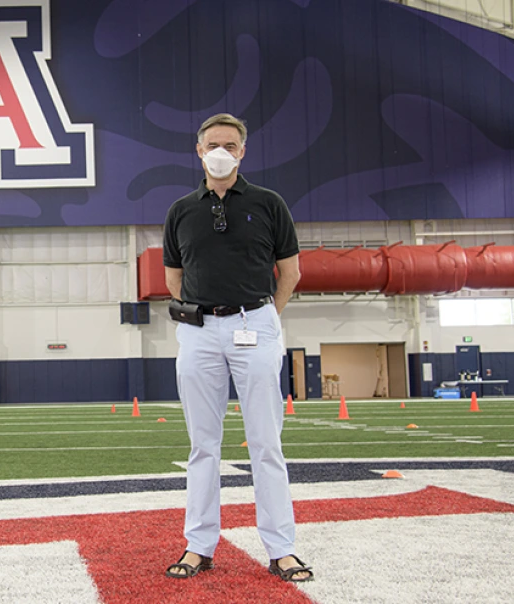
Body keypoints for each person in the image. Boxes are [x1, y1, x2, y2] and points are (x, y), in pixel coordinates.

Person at [161, 113, 312, 582]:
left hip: (256, 322)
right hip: (200, 329)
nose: (221, 151)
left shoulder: (269, 204)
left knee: (266, 443)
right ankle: (199, 545)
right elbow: (173, 276)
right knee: (202, 445)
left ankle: (281, 548)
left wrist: (267, 318)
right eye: (212, 144)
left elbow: (290, 272)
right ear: (199, 151)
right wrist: (198, 318)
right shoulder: (181, 209)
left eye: (230, 144)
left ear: (243, 151)